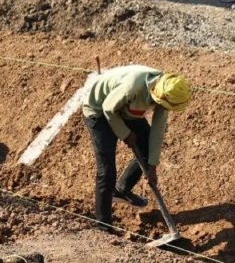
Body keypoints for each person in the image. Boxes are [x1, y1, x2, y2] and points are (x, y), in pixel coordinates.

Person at [82, 64, 191, 231]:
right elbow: (108, 109)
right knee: (107, 170)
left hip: (127, 110)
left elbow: (157, 130)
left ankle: (121, 191)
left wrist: (152, 165)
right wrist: (125, 134)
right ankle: (103, 226)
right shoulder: (132, 87)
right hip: (99, 110)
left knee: (146, 152)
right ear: (158, 95)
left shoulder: (166, 94)